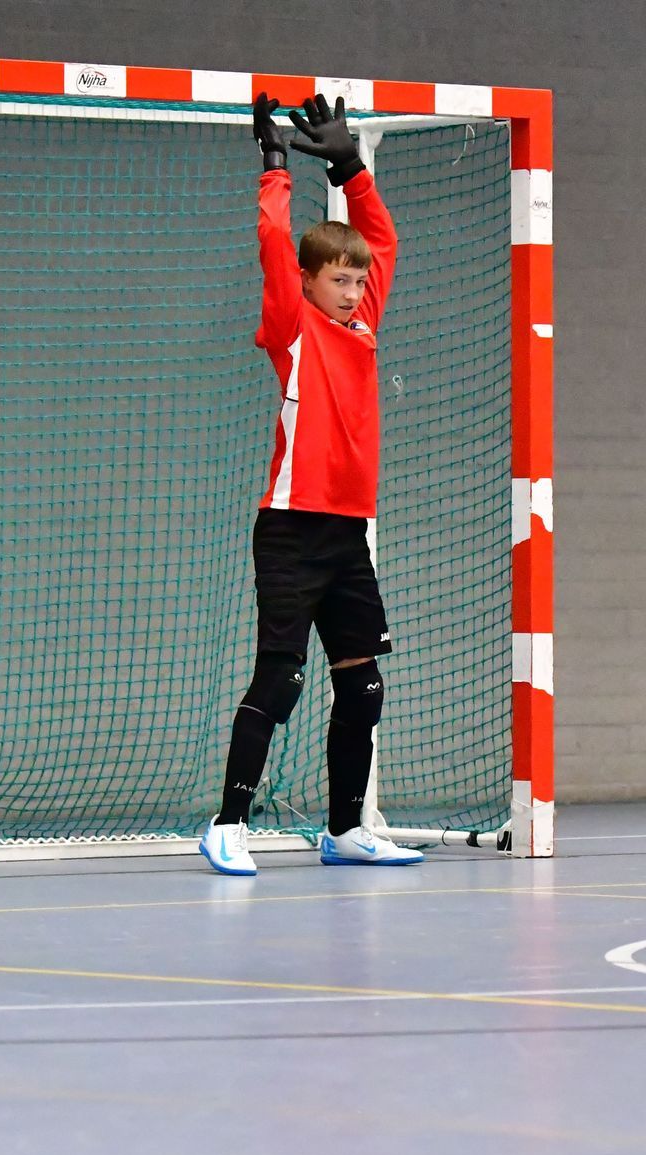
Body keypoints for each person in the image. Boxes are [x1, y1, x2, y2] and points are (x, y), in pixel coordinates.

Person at [198, 92, 423, 876]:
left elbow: (383, 239)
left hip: (347, 535)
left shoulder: (363, 326)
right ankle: (228, 824)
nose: (354, 291)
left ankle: (346, 831)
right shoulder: (292, 328)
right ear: (309, 282)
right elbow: (272, 240)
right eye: (339, 280)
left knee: (363, 686)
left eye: (360, 281)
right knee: (283, 676)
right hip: (291, 529)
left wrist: (350, 167)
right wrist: (276, 168)